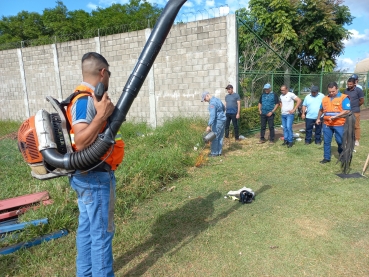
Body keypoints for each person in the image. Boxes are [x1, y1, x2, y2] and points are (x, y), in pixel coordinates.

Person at [66, 52, 125, 277]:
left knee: (87, 232)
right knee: (101, 235)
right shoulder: (85, 100)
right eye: (108, 73)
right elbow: (80, 141)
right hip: (95, 178)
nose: (109, 78)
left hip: (87, 176)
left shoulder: (86, 98)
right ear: (102, 73)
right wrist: (101, 116)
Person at [316, 82, 351, 164]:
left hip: (339, 124)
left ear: (337, 89)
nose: (331, 93)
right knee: (326, 141)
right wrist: (318, 118)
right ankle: (326, 158)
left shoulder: (344, 97)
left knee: (340, 141)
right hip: (327, 124)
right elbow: (321, 110)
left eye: (333, 91)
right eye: (330, 92)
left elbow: (347, 110)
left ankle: (342, 155)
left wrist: (336, 116)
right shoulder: (325, 99)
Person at [201, 91, 226, 156]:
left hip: (218, 121)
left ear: (207, 96)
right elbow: (223, 108)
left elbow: (212, 115)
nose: (205, 101)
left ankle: (214, 153)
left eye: (204, 99)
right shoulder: (217, 99)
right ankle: (219, 152)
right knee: (220, 136)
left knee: (214, 137)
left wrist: (209, 125)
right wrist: (220, 114)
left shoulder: (212, 103)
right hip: (223, 120)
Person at [344, 77, 364, 146]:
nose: (349, 85)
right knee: (347, 125)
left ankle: (357, 140)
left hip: (355, 111)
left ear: (354, 83)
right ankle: (346, 139)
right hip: (347, 111)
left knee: (356, 126)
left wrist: (356, 106)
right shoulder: (346, 91)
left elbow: (362, 101)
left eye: (350, 84)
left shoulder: (359, 90)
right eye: (348, 84)